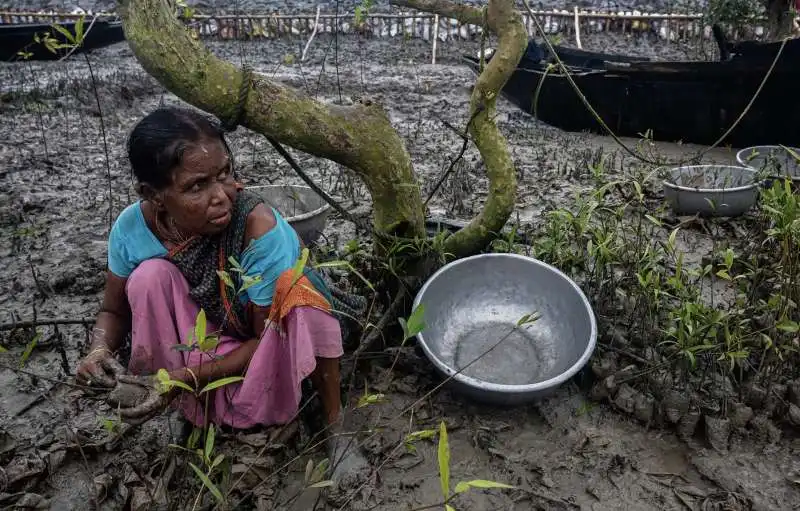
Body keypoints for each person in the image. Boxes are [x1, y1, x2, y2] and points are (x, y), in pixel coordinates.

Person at [74, 105, 367, 484]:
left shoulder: (257, 227)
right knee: (148, 277)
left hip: (265, 341)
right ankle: (174, 400)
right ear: (153, 194)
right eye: (197, 186)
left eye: (225, 174)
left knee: (299, 294)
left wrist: (182, 378)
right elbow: (112, 311)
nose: (222, 196)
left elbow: (263, 341)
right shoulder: (133, 227)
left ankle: (334, 424)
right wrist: (98, 349)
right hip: (208, 338)